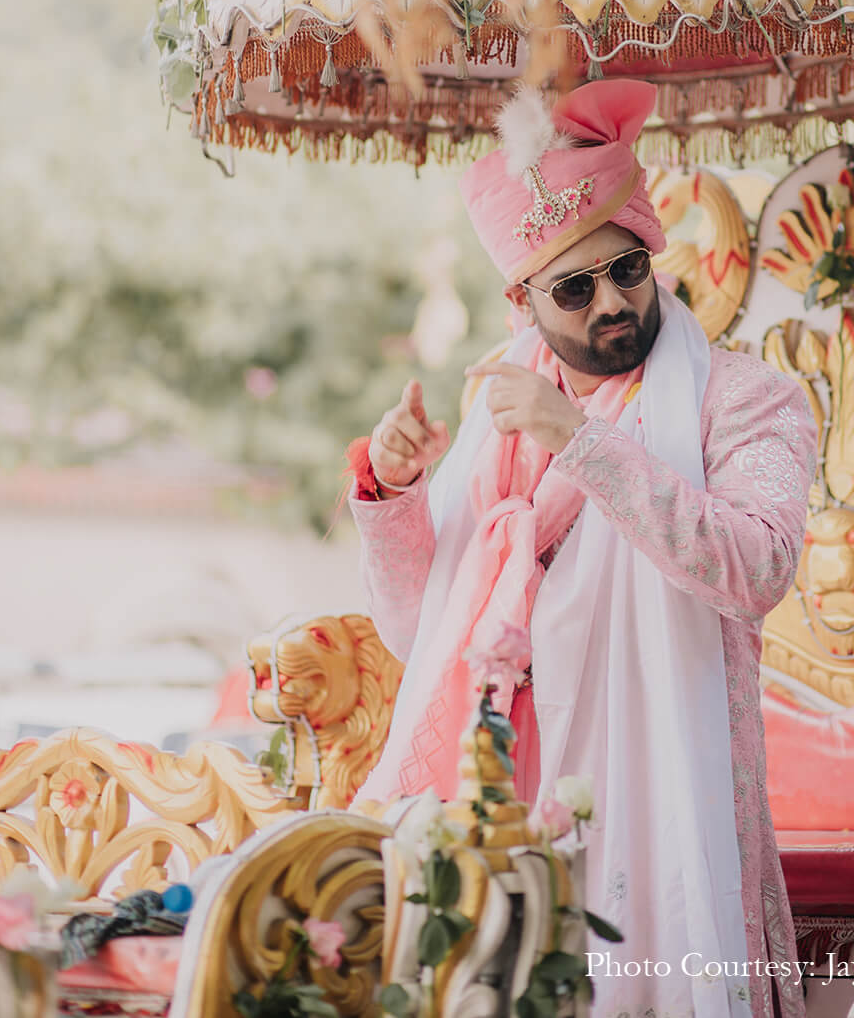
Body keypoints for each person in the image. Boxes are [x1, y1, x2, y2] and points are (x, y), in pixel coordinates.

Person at [348, 79, 816, 1018]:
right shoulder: (498, 423)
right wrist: (394, 494)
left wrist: (583, 441)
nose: (611, 301)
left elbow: (756, 569)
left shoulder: (743, 400)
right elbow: (420, 631)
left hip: (654, 809)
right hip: (502, 804)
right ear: (524, 302)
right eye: (574, 286)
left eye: (628, 269)